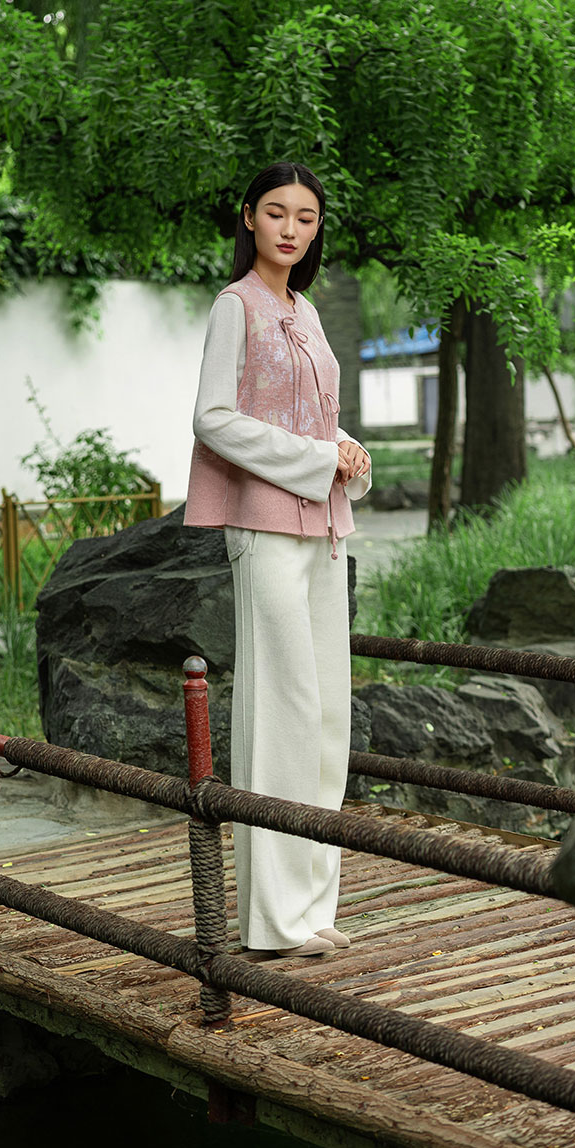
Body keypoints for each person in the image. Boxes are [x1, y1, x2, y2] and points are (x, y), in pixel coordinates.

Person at [184, 161, 371, 958]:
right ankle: (273, 920)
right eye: (276, 212)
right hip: (264, 530)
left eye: (306, 217)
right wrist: (316, 455)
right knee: (280, 714)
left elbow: (314, 416)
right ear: (248, 217)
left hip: (322, 528)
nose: (291, 228)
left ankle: (312, 907)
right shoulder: (236, 306)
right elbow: (213, 418)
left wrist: (346, 448)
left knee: (326, 719)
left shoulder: (308, 310)